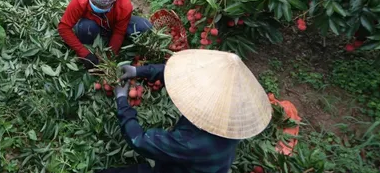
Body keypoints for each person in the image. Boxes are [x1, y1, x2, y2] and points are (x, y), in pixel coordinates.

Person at [102, 49, 273, 173]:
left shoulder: (193, 143)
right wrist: (140, 71)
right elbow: (181, 74)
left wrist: (122, 102)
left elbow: (139, 141)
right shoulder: (234, 111)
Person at [58, 0, 153, 69]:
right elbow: (63, 27)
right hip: (91, 25)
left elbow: (119, 32)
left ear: (114, 1)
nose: (96, 8)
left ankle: (108, 40)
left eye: (102, 7)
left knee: (144, 26)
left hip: (112, 25)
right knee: (86, 27)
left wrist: (109, 58)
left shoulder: (124, 6)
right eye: (94, 5)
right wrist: (84, 53)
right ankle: (91, 45)